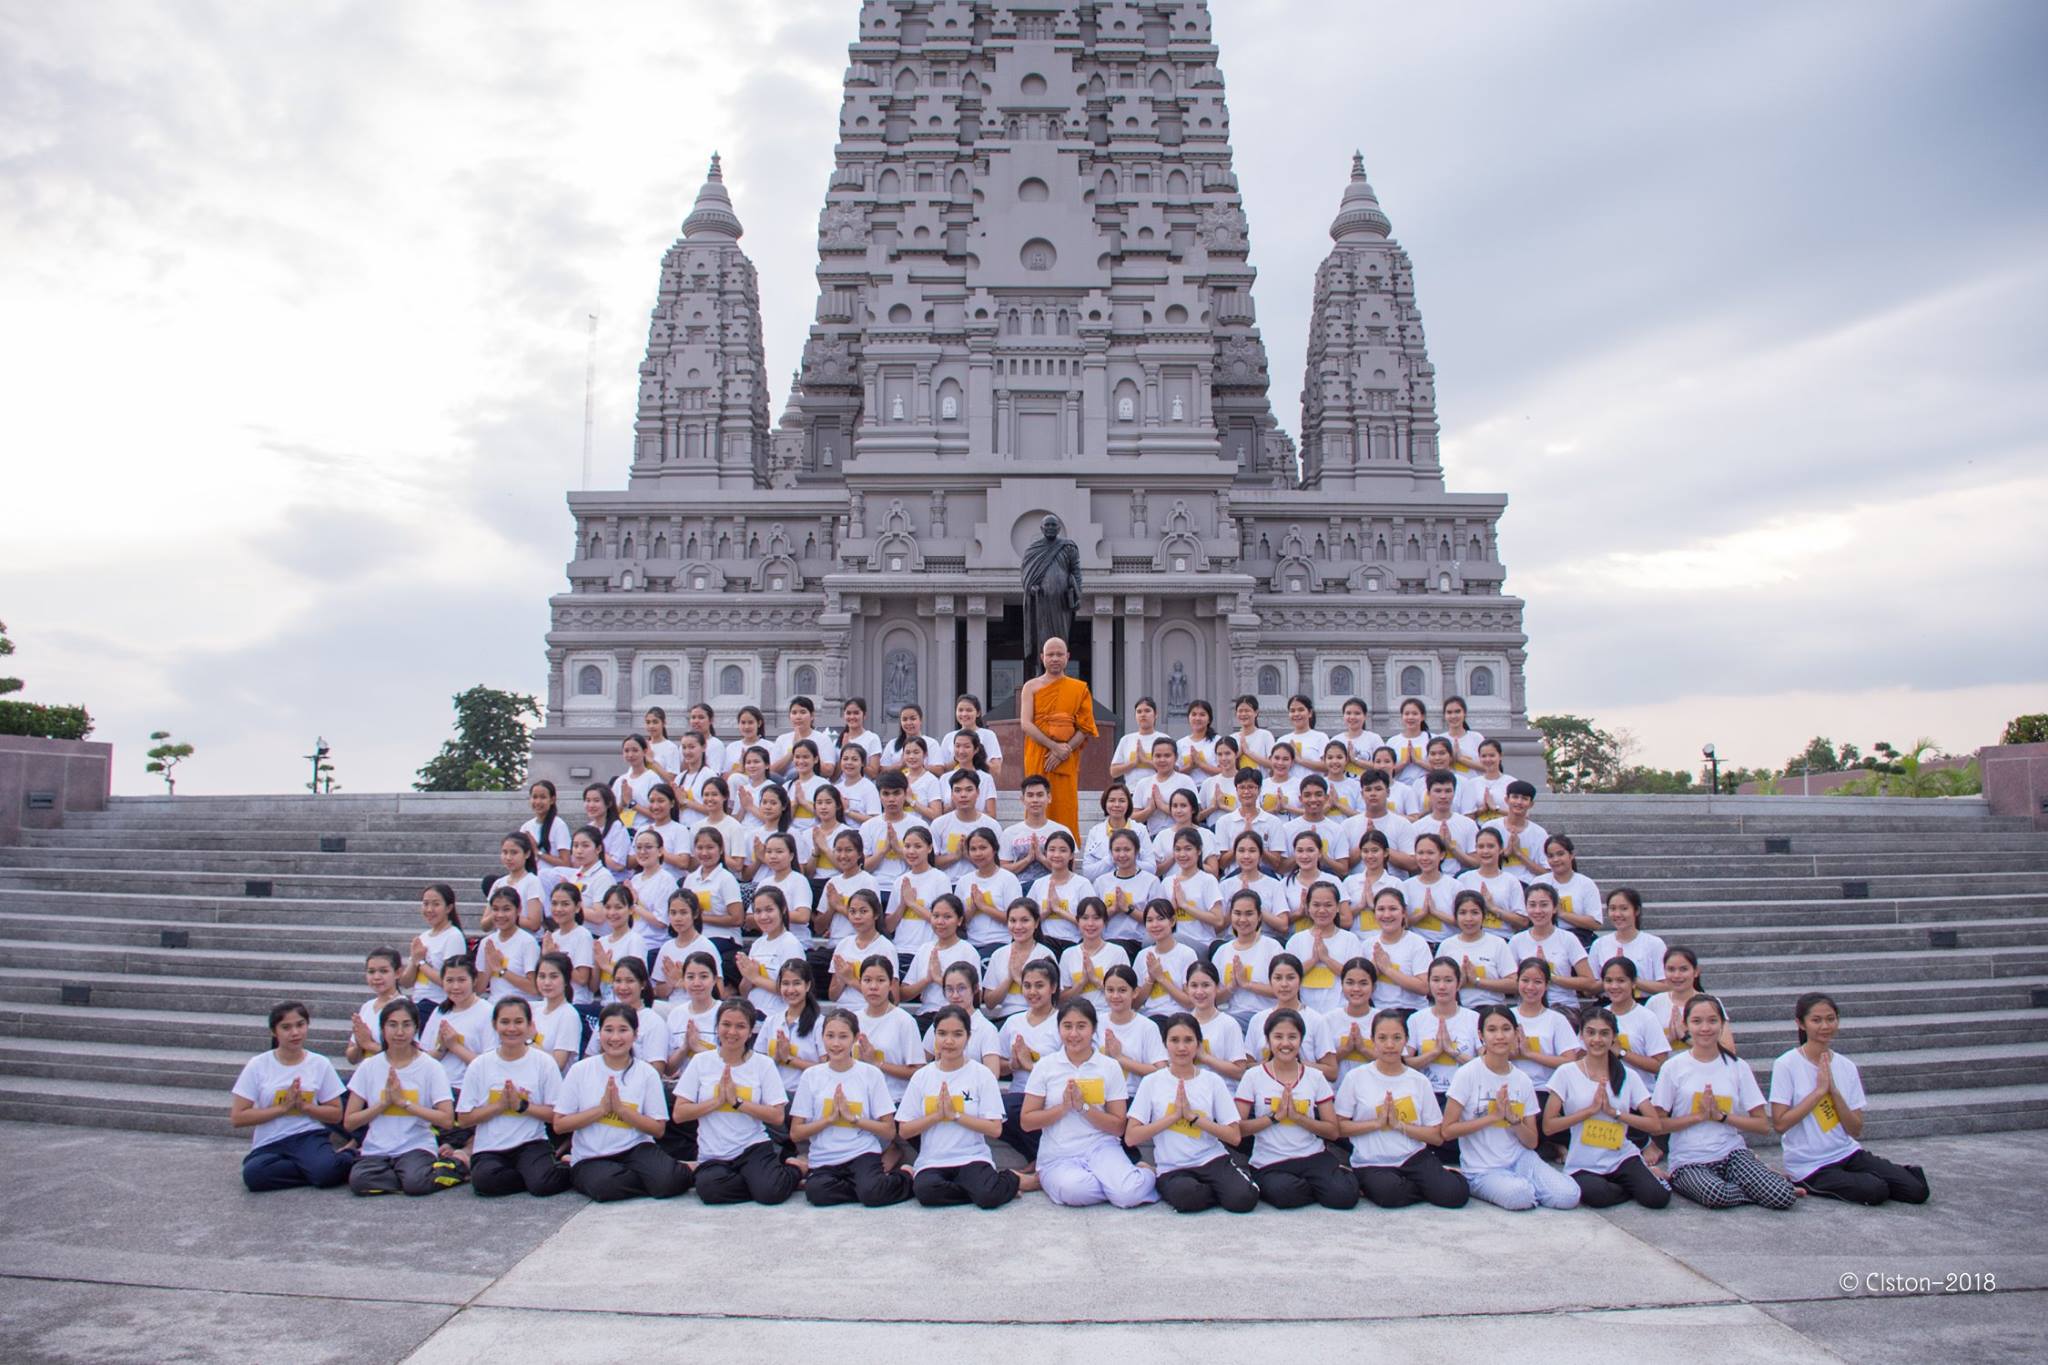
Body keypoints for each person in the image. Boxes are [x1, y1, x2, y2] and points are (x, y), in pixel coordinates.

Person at [1770, 993, 1930, 1205]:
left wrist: (1834, 1093)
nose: (1825, 1026)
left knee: (1917, 1190)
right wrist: (1819, 1092)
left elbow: (1855, 1129)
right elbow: (1780, 1124)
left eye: (1830, 1019)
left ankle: (1888, 1174)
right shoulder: (1786, 1064)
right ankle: (1809, 1182)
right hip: (1811, 1165)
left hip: (1848, 1153)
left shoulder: (1846, 1066)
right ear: (1801, 1023)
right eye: (1816, 1020)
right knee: (1876, 1190)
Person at [1649, 995, 1797, 1210]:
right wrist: (1698, 1116)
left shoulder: (1737, 1066)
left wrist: (1722, 1117)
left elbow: (1763, 1125)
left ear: (1722, 1024)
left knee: (1782, 1195)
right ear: (1686, 1024)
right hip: (1689, 1159)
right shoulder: (1673, 1067)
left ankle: (1759, 1184)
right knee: (1717, 1194)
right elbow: (1658, 1124)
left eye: (1712, 1021)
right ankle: (1749, 1188)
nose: (1705, 1028)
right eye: (1697, 1021)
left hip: (1731, 1153)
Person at [1021, 1001, 1159, 1208]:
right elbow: (1027, 1121)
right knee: (1075, 1191)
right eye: (1067, 1026)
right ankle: (1117, 1183)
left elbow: (1118, 1126)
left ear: (1093, 1028)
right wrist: (1063, 1108)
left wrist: (1083, 1107)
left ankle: (1145, 1174)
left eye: (1081, 1026)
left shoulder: (1109, 1067)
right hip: (1059, 1153)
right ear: (1059, 1028)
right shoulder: (1045, 1066)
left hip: (1102, 1148)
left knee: (1128, 1195)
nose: (1074, 1034)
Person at [1442, 1005, 1581, 1210]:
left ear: (1516, 1034)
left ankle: (1525, 1185)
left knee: (1569, 1196)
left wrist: (1515, 1121)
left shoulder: (1522, 1079)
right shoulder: (1467, 1074)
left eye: (1506, 1029)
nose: (1500, 1036)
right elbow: (1447, 1131)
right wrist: (1492, 1117)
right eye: (1492, 1030)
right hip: (1483, 1168)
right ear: (1481, 1035)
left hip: (1522, 1160)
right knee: (1520, 1196)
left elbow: (1532, 1142)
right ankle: (1499, 1185)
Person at [554, 1003, 691, 1201]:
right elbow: (559, 1124)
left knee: (669, 1182)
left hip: (636, 1149)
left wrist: (622, 1110)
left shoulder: (646, 1073)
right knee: (605, 1187)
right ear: (599, 1034)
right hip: (592, 1155)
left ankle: (664, 1173)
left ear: (635, 1035)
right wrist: (601, 1110)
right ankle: (649, 1177)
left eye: (623, 1030)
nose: (615, 1038)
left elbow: (658, 1129)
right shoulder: (581, 1070)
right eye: (608, 1030)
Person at [903, 1005, 1034, 1208]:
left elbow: (995, 1128)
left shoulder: (982, 1075)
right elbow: (904, 1130)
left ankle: (1004, 1181)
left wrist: (956, 1115)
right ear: (934, 1037)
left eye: (957, 1034)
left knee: (987, 1198)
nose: (949, 1041)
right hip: (933, 1160)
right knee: (926, 1193)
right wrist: (936, 1116)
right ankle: (989, 1187)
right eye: (942, 1034)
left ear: (968, 1037)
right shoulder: (922, 1077)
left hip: (972, 1158)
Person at [1335, 1010, 1469, 1209]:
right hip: (1373, 1162)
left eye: (1397, 1038)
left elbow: (1436, 1136)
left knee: (1454, 1195)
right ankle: (1419, 1187)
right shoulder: (1356, 1078)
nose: (1390, 1045)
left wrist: (1399, 1125)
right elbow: (1339, 1127)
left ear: (1406, 1040)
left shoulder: (1418, 1080)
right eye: (1382, 1038)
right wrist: (1377, 1123)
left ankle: (1432, 1181)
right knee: (1390, 1194)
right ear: (1373, 1040)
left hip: (1413, 1157)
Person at [673, 999, 801, 1205]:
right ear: (717, 1027)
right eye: (726, 1024)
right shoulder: (701, 1062)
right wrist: (717, 1101)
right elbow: (679, 1113)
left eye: (740, 1026)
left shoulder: (763, 1064)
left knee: (770, 1193)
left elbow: (777, 1116)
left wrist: (738, 1102)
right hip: (714, 1153)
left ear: (750, 1032)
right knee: (709, 1190)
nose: (732, 1032)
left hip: (752, 1147)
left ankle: (796, 1168)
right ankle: (757, 1181)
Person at [1543, 1006, 1670, 1209]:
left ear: (1614, 1038)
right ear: (1581, 1036)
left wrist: (1615, 1113)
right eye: (1591, 1032)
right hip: (1584, 1163)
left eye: (1604, 1033)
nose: (1597, 1039)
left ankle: (1641, 1179)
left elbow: (1654, 1124)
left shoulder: (1628, 1075)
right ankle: (1635, 1183)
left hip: (1621, 1156)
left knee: (1657, 1198)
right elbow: (1549, 1126)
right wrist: (1589, 1111)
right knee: (1598, 1196)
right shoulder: (1566, 1073)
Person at [1129, 1013, 1256, 1213]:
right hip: (1173, 1166)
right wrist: (1173, 1117)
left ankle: (1220, 1189)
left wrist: (1193, 1118)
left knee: (1243, 1199)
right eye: (1174, 1040)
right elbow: (1131, 1136)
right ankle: (1211, 1191)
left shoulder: (1212, 1081)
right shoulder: (1152, 1082)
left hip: (1212, 1159)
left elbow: (1234, 1136)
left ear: (1198, 1044)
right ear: (1165, 1044)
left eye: (1188, 1040)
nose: (1181, 1047)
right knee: (1188, 1197)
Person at [1235, 1010, 1358, 1209]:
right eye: (1278, 1037)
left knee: (1344, 1197)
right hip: (1270, 1160)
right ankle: (1319, 1187)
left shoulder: (1314, 1076)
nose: (1285, 1043)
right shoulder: (1253, 1076)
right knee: (1286, 1195)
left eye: (1292, 1037)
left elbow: (1333, 1131)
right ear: (1268, 1040)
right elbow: (1237, 1129)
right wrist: (1274, 1117)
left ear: (1301, 1039)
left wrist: (1298, 1118)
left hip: (1312, 1155)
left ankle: (1332, 1179)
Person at [788, 1009, 910, 1207]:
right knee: (817, 1193)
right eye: (830, 1036)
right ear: (822, 1037)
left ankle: (905, 1176)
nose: (836, 1043)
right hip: (825, 1156)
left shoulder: (870, 1074)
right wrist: (829, 1120)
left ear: (855, 1038)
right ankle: (864, 1186)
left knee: (872, 1195)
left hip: (861, 1152)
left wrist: (854, 1119)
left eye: (843, 1037)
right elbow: (796, 1133)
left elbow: (889, 1130)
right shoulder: (811, 1076)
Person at [232, 1001, 352, 1192]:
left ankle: (341, 1159)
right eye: (286, 1027)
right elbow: (238, 1117)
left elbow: (336, 1114)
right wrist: (282, 1108)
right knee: (254, 1176)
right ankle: (315, 1168)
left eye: (300, 1025)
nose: (295, 1032)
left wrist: (306, 1107)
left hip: (308, 1136)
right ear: (274, 1031)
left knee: (326, 1174)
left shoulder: (320, 1063)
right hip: (271, 1140)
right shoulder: (258, 1065)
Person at [458, 998, 571, 1197]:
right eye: (505, 1022)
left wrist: (522, 1106)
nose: (511, 1029)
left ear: (529, 1026)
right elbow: (464, 1118)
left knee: (543, 1185)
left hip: (531, 1143)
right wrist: (499, 1106)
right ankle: (530, 1176)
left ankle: (549, 1172)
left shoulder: (544, 1062)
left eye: (518, 1022)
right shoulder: (480, 1065)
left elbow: (556, 1114)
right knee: (484, 1182)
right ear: (495, 1025)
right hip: (490, 1147)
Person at [343, 999, 455, 1196]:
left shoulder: (431, 1067)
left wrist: (404, 1103)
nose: (399, 1032)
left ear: (416, 1028)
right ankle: (405, 1178)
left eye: (406, 1025)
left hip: (416, 1146)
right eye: (393, 1025)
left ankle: (452, 1168)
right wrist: (383, 1104)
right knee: (359, 1181)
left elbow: (446, 1119)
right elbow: (350, 1122)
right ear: (383, 1029)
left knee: (415, 1183)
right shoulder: (369, 1066)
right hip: (377, 1149)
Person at [1019, 637, 1098, 838]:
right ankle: (1033, 842)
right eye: (1050, 654)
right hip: (1038, 754)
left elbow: (1085, 727)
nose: (1055, 658)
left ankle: (1066, 846)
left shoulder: (1079, 688)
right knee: (1036, 798)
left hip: (1066, 757)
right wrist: (1054, 747)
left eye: (1059, 654)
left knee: (1065, 803)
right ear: (1042, 657)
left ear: (1067, 657)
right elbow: (1026, 723)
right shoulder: (1031, 686)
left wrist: (1065, 750)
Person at [994, 960, 1063, 1163]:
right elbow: (998, 1065)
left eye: (1039, 986)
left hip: (1050, 1096)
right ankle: (1037, 1157)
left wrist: (1031, 1065)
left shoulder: (1063, 1022)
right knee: (993, 1110)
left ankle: (1043, 1160)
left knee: (1012, 1108)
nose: (1032, 992)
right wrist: (1013, 1065)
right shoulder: (1013, 1022)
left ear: (1053, 987)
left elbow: (1067, 1070)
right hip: (1019, 1092)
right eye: (1027, 985)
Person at [1506, 884, 1596, 1011]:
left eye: (1544, 905)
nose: (1538, 911)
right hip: (1528, 1007)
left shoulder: (1568, 938)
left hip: (1563, 1006)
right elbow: (1509, 981)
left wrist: (1551, 976)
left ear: (1554, 908)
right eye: (1532, 905)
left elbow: (1589, 982)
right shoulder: (1517, 940)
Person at [1243, 956, 1337, 1075]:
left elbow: (1331, 1071)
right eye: (1278, 978)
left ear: (1300, 980)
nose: (1284, 984)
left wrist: (1295, 1063)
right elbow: (1247, 1066)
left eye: (1290, 978)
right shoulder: (1258, 1020)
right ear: (1270, 981)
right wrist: (1272, 1063)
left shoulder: (1316, 1020)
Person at [1285, 881, 1361, 1013]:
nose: (1322, 910)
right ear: (1308, 907)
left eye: (1328, 905)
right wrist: (1313, 960)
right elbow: (1287, 976)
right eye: (1316, 905)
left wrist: (1327, 959)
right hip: (1305, 1013)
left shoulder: (1350, 939)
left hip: (1340, 1011)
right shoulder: (1296, 941)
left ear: (1338, 907)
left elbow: (1356, 977)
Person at [900, 895, 980, 1018]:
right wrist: (927, 980)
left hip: (956, 1015)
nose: (940, 922)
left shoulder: (967, 951)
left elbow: (976, 995)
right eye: (936, 916)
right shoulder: (924, 949)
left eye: (947, 917)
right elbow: (903, 994)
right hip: (926, 1014)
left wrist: (938, 979)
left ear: (959, 920)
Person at [1597, 958, 1672, 1085]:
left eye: (1621, 980)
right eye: (1609, 981)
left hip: (1642, 1091)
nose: (1614, 986)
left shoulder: (1647, 1017)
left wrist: (1621, 1052)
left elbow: (1660, 1065)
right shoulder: (1598, 1016)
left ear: (1633, 983)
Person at [1649, 949, 1738, 1053]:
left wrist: (1685, 1037)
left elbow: (1729, 1050)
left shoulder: (1711, 1003)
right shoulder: (1654, 1003)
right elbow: (1645, 1050)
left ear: (1696, 972)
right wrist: (1670, 1038)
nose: (1677, 975)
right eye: (1671, 969)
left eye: (1683, 969)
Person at [404, 883, 467, 1029]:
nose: (429, 909)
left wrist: (421, 963)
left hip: (437, 1004)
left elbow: (449, 980)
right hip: (417, 1002)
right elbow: (406, 982)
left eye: (436, 904)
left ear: (449, 908)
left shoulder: (453, 936)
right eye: (425, 904)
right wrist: (414, 961)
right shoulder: (423, 937)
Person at [1211, 891, 1281, 1024]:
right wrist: (1231, 987)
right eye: (1237, 913)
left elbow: (1282, 990)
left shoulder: (1272, 947)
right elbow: (1214, 999)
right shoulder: (1222, 952)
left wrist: (1247, 984)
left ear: (1259, 916)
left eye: (1249, 914)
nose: (1242, 919)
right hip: (1232, 1017)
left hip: (1266, 1017)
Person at [982, 898, 1056, 1019]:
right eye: (1013, 921)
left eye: (1025, 920)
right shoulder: (998, 955)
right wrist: (1009, 978)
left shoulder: (1045, 954)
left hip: (1038, 1017)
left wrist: (1018, 978)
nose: (1018, 926)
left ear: (1036, 923)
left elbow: (1052, 998)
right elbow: (990, 1003)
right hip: (1006, 1018)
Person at [1363, 887, 1433, 1011]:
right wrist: (1373, 971)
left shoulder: (1417, 943)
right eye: (1381, 909)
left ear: (1404, 912)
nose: (1386, 915)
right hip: (1378, 1011)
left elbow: (1424, 987)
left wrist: (1388, 970)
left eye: (1393, 909)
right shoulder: (1367, 945)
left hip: (1411, 1010)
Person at [1443, 891, 1517, 1006]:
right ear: (1455, 916)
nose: (1469, 918)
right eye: (1462, 913)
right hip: (1456, 1009)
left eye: (1475, 912)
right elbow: (1433, 986)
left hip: (1491, 1008)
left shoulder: (1498, 944)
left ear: (1484, 915)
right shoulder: (1447, 945)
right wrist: (1458, 982)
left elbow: (1514, 984)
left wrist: (1477, 981)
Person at [957, 828, 1025, 953]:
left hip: (1001, 943)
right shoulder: (963, 881)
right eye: (973, 849)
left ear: (994, 849)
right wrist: (972, 908)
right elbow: (958, 922)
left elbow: (1016, 918)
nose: (978, 853)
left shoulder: (1008, 879)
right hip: (970, 944)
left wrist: (984, 906)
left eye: (983, 848)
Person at [1058, 898, 1130, 1012]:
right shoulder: (1068, 954)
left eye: (1096, 918)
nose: (1090, 923)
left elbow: (1126, 994)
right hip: (1077, 1016)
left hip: (1109, 1014)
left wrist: (1095, 980)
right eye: (1085, 918)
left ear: (1104, 921)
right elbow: (1061, 1000)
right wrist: (1081, 983)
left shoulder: (1117, 952)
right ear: (1078, 921)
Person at [1001, 773, 1075, 885]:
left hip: (1054, 887)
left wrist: (1041, 858)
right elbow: (1003, 870)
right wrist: (1027, 859)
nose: (1035, 800)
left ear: (1049, 798)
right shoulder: (1009, 833)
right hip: (1020, 889)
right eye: (1030, 795)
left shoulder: (1062, 831)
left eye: (1040, 795)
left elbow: (1070, 870)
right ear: (1022, 799)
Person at [1589, 888, 1669, 990]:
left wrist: (1630, 977)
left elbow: (1666, 986)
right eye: (1613, 909)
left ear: (1637, 910)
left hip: (1644, 999)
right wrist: (1612, 975)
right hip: (1608, 999)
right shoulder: (1599, 944)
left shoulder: (1654, 944)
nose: (1617, 914)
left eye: (1624, 908)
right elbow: (1589, 990)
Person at [1134, 899, 1200, 1017]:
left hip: (1179, 1017)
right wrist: (1150, 979)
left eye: (1160, 919)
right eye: (1149, 920)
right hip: (1150, 1017)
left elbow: (1190, 1003)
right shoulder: (1142, 956)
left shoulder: (1187, 954)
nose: (1155, 925)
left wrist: (1161, 978)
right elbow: (1134, 1004)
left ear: (1172, 921)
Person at [1026, 830, 1087, 947]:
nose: (1056, 855)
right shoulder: (1038, 884)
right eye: (1052, 850)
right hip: (1044, 944)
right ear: (1045, 853)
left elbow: (1090, 923)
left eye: (1063, 850)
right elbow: (1027, 920)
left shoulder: (1082, 884)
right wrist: (1047, 911)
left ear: (1071, 855)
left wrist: (1058, 910)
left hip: (1074, 944)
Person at [1082, 784, 1154, 882]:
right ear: (1105, 803)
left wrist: (1129, 860)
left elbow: (1151, 868)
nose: (1116, 805)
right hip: (1104, 887)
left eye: (1122, 801)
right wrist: (1111, 859)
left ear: (1129, 804)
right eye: (1112, 800)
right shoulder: (1095, 832)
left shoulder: (1140, 830)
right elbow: (1087, 872)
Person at [345, 948, 403, 1066]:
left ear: (397, 973)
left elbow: (405, 1055)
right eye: (371, 972)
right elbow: (351, 1058)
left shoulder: (404, 1007)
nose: (376, 977)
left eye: (383, 971)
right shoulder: (367, 1006)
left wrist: (369, 1044)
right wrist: (359, 1044)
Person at [939, 693, 1005, 784]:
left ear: (978, 713)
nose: (964, 714)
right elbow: (943, 769)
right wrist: (958, 757)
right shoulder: (949, 737)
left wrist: (975, 757)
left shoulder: (988, 735)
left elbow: (996, 770)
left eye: (969, 710)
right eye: (960, 710)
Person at [489, 833, 547, 932]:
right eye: (505, 852)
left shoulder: (532, 882)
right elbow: (484, 925)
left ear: (527, 854)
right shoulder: (498, 883)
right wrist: (497, 914)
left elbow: (534, 924)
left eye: (514, 853)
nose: (508, 857)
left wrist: (508, 916)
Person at [1109, 696, 1168, 781]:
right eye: (1139, 712)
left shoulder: (1164, 739)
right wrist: (1134, 763)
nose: (1143, 715)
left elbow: (1172, 770)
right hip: (1132, 788)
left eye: (1147, 711)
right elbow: (1113, 772)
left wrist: (1146, 761)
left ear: (1155, 715)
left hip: (1158, 787)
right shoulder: (1126, 740)